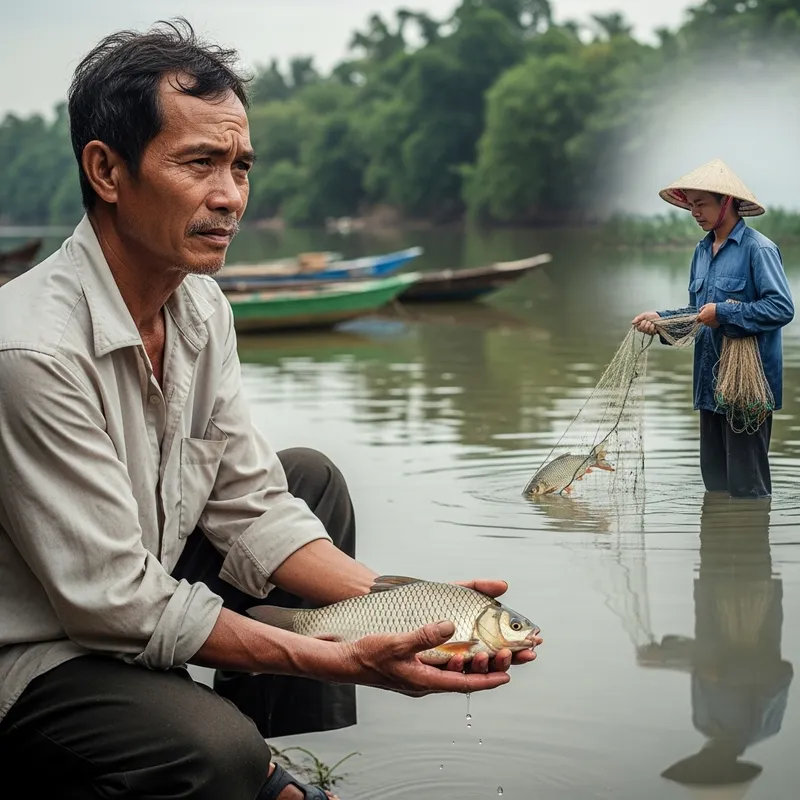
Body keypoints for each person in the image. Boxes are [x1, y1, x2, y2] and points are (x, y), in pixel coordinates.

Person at [0, 19, 540, 800]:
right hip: (40, 647)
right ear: (107, 171)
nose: (230, 197)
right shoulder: (30, 350)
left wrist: (409, 610)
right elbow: (111, 603)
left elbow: (250, 502)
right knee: (212, 748)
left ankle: (270, 761)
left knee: (310, 482)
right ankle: (235, 762)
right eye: (200, 164)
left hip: (124, 585)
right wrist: (333, 656)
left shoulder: (201, 310)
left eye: (241, 167)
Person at [632, 158, 794, 499]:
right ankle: (719, 542)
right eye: (691, 205)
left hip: (747, 389)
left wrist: (723, 312)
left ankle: (748, 543)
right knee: (715, 485)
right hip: (709, 385)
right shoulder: (701, 251)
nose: (694, 212)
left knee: (748, 489)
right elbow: (698, 315)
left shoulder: (758, 249)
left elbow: (781, 308)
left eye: (701, 203)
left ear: (727, 203)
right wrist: (661, 321)